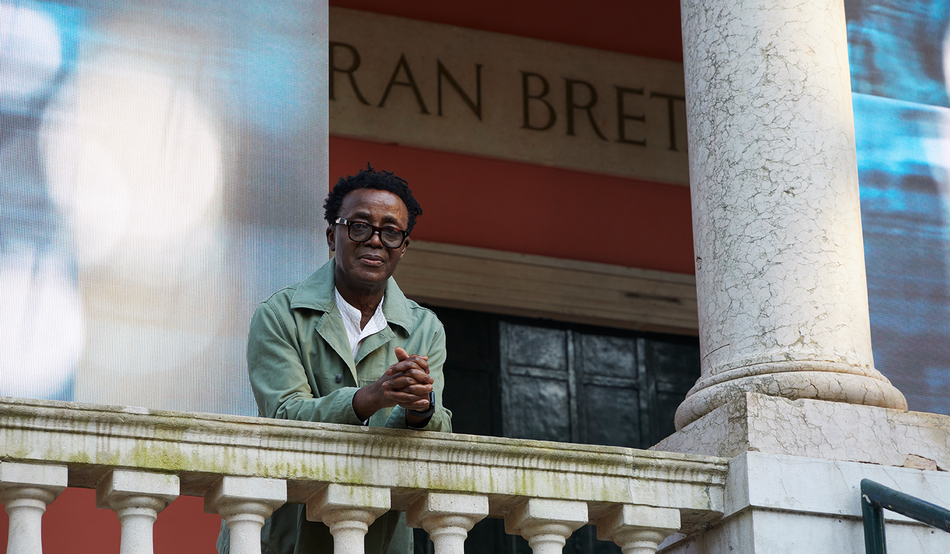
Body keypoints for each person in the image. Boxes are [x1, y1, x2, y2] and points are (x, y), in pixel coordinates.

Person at [218, 165, 451, 554]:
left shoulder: (426, 328)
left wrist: (420, 409)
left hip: (376, 537)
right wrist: (372, 396)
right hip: (282, 536)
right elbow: (285, 417)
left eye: (391, 232)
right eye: (359, 226)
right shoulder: (280, 314)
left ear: (403, 246)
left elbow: (433, 430)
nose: (375, 241)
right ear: (332, 235)